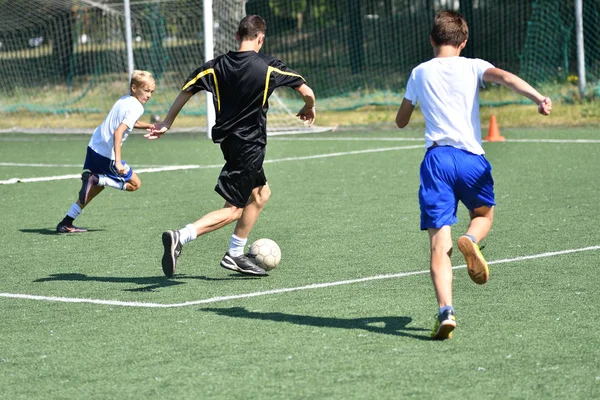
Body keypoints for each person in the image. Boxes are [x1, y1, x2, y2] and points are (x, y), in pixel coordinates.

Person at [395, 10, 552, 340]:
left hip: (437, 160)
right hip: (471, 159)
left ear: (431, 39)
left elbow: (401, 120)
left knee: (439, 245)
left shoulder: (419, 72)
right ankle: (472, 238)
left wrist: (412, 101)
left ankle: (445, 311)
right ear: (463, 41)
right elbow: (506, 78)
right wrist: (538, 97)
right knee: (483, 214)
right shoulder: (474, 65)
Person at [145, 15, 316, 278]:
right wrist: (308, 108)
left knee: (260, 194)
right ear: (261, 38)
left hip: (229, 143)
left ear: (237, 36)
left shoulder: (215, 66)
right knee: (234, 209)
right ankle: (181, 236)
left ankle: (235, 254)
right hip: (251, 146)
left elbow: (187, 90)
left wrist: (168, 121)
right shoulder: (268, 66)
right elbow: (307, 92)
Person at [56, 70, 156, 233]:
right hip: (107, 155)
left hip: (93, 147)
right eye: (146, 90)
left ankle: (66, 222)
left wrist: (149, 126)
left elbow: (129, 122)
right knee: (135, 184)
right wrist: (117, 162)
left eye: (151, 91)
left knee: (96, 188)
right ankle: (96, 179)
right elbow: (118, 132)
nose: (149, 95)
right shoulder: (137, 107)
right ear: (134, 88)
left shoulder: (124, 100)